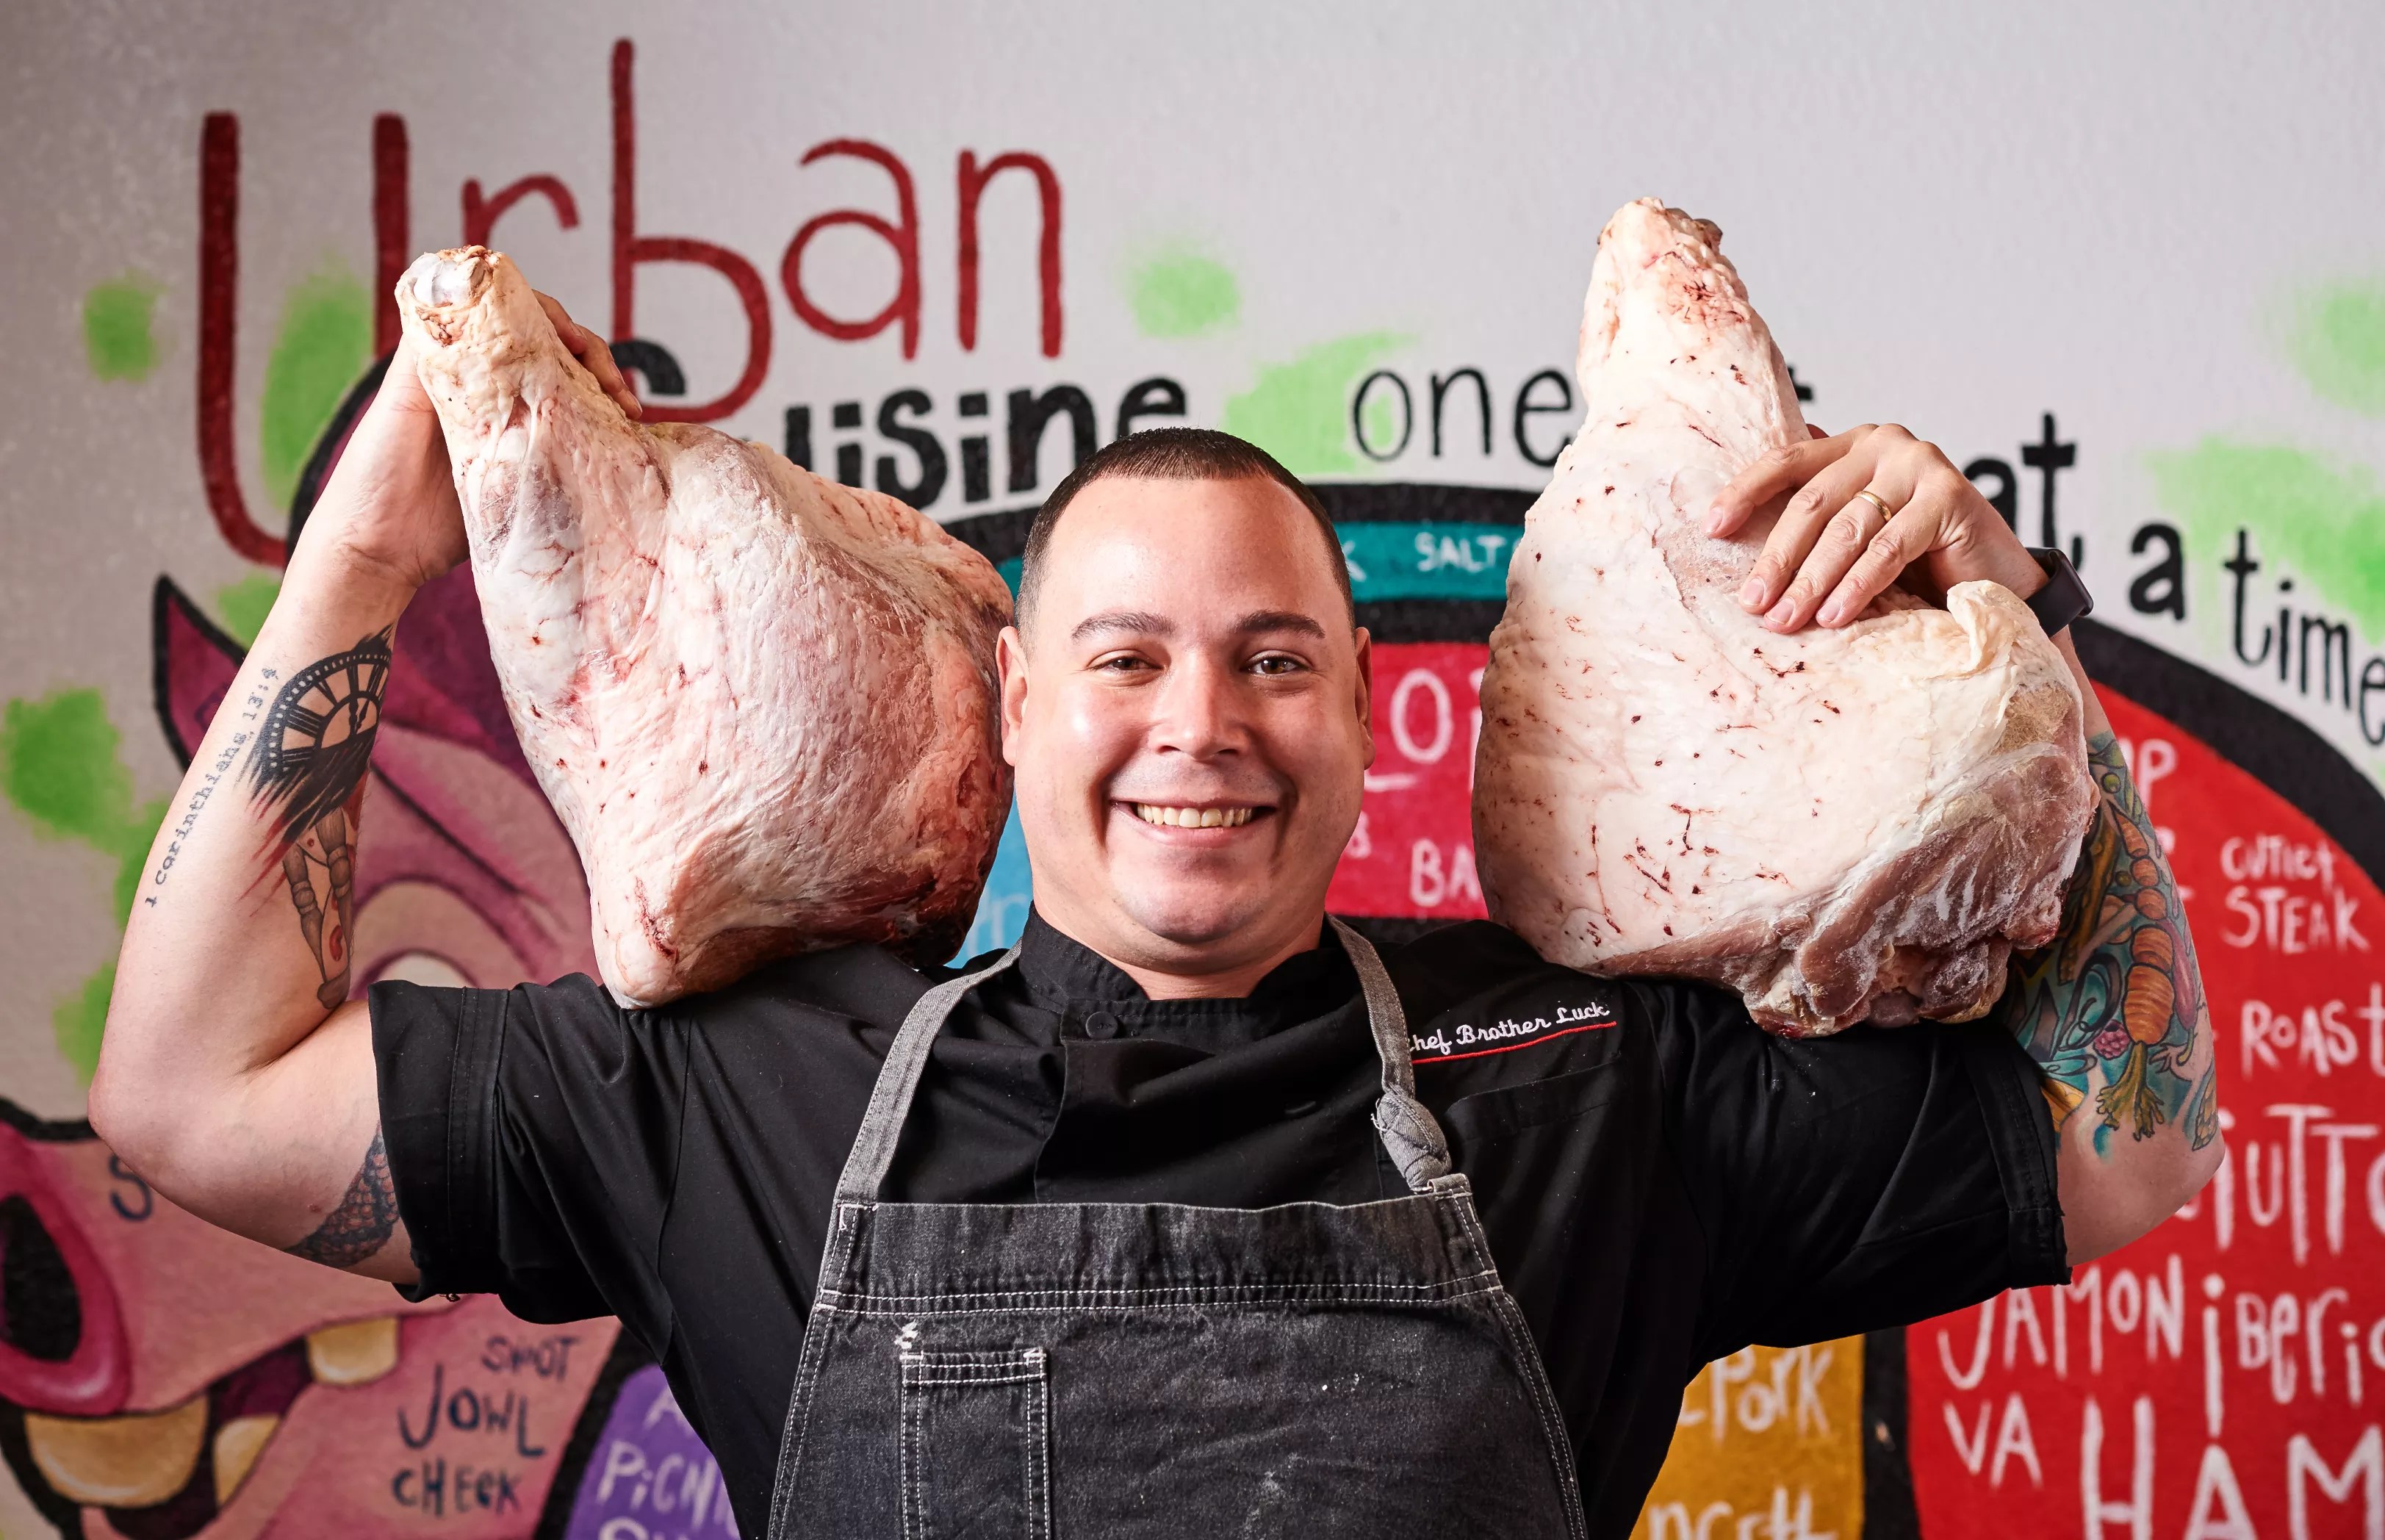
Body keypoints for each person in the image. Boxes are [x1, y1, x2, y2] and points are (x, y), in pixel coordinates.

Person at [95, 292, 2217, 1540]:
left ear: (1364, 709)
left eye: (1272, 659)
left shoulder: (1587, 1076)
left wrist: (2005, 627)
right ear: (1017, 703)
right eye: (1126, 658)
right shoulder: (742, 1087)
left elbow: (2125, 1144)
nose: (1201, 724)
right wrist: (361, 558)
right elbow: (195, 1095)